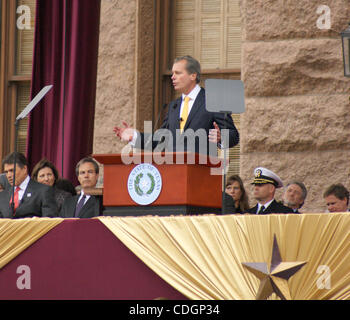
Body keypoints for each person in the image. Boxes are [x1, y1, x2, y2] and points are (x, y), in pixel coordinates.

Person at [114, 55, 239, 156]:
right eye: (172, 73)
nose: (172, 77)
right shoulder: (174, 106)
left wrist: (221, 137)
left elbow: (234, 136)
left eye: (178, 73)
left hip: (201, 173)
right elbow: (161, 140)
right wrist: (134, 136)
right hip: (174, 172)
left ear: (193, 75)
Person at [0, 152, 58, 218]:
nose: (9, 175)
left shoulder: (43, 191)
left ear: (24, 169)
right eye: (6, 172)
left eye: (12, 170)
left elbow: (50, 221)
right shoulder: (2, 196)